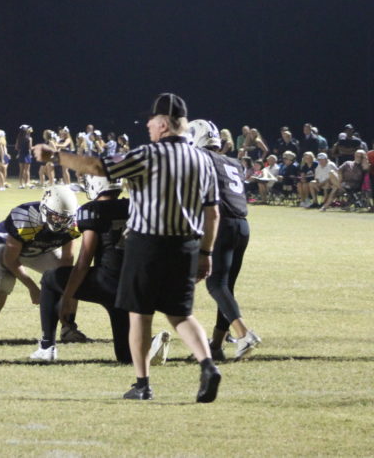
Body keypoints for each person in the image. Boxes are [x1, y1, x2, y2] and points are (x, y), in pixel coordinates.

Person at [34, 93, 222, 403]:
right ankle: (208, 365)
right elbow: (212, 213)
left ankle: (142, 384)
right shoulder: (203, 160)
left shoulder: (148, 154)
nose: (148, 125)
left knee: (140, 315)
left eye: (151, 120)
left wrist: (56, 156)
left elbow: (98, 166)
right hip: (186, 246)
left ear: (163, 124)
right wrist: (206, 253)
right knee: (181, 314)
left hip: (148, 244)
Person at [30, 175, 163, 365]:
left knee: (50, 278)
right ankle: (151, 345)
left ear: (96, 184)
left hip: (107, 281)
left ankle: (46, 347)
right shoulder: (136, 205)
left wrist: (67, 298)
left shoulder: (92, 210)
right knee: (125, 356)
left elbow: (84, 261)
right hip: (134, 283)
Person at [0, 185, 85, 346]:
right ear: (44, 209)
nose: (60, 221)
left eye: (64, 218)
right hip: (4, 243)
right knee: (5, 281)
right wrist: (33, 287)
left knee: (70, 279)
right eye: (55, 216)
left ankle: (68, 328)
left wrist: (63, 289)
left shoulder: (75, 222)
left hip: (41, 247)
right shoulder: (25, 218)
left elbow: (67, 259)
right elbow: (10, 259)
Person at [186, 120, 262, 361]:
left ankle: (244, 334)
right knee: (225, 287)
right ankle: (216, 345)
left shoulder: (200, 157)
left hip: (222, 224)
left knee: (215, 284)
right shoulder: (233, 162)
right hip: (242, 226)